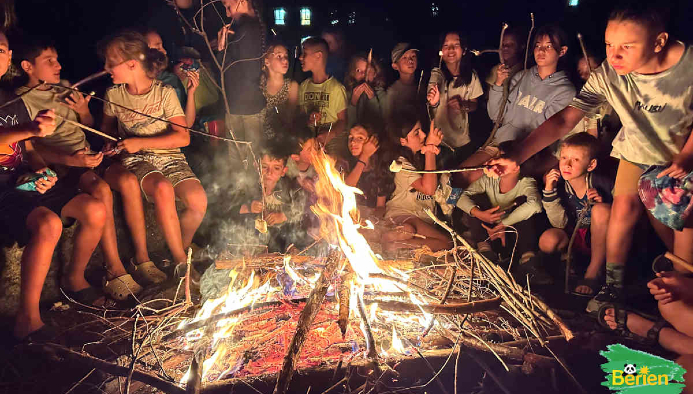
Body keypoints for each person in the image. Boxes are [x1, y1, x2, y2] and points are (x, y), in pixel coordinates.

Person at [486, 3, 693, 319]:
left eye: (627, 46)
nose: (614, 55)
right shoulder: (610, 74)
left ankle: (683, 278)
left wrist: (687, 156)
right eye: (610, 44)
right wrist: (516, 155)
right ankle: (614, 287)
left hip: (682, 157)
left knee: (672, 213)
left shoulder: (688, 66)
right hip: (638, 150)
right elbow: (565, 119)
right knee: (622, 209)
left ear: (659, 42)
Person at [16, 38, 164, 296]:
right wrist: (75, 161)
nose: (58, 65)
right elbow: (32, 149)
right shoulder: (22, 101)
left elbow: (87, 126)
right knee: (102, 189)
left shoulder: (64, 88)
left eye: (58, 59)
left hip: (90, 154)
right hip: (64, 163)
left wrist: (84, 111)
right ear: (28, 66)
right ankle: (114, 270)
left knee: (128, 181)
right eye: (49, 61)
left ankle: (142, 260)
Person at [0, 31, 111, 339]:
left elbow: (30, 147)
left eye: (2, 50)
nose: (1, 56)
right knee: (48, 224)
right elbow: (22, 134)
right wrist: (30, 128)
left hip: (22, 183)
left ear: (10, 58)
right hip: (4, 191)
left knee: (94, 210)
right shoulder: (22, 104)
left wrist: (41, 171)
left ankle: (75, 282)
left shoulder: (11, 101)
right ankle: (29, 320)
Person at [99, 30, 208, 282]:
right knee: (161, 187)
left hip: (171, 158)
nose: (106, 68)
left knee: (198, 200)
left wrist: (139, 140)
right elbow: (106, 132)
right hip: (137, 160)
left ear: (132, 64)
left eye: (110, 62)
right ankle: (182, 264)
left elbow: (183, 137)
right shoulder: (114, 95)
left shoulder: (164, 93)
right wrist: (110, 145)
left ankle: (176, 250)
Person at [459, 24, 576, 186]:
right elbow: (496, 115)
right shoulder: (522, 76)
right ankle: (448, 206)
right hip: (498, 142)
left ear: (562, 51)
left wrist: (518, 154)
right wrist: (498, 85)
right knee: (461, 175)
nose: (541, 51)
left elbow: (548, 132)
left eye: (548, 46)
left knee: (489, 183)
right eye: (538, 46)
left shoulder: (565, 91)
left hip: (525, 153)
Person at [456, 141, 549, 284]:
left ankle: (527, 261)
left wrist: (504, 224)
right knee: (475, 202)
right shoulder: (487, 180)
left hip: (514, 234)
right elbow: (458, 197)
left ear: (515, 166)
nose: (492, 163)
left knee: (525, 205)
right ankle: (486, 253)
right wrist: (479, 214)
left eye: (500, 159)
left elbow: (535, 204)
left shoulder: (526, 182)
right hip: (488, 230)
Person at [540, 133, 613, 295]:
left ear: (591, 165)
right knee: (548, 240)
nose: (567, 164)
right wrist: (549, 191)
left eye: (576, 160)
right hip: (575, 237)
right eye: (564, 157)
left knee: (602, 210)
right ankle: (568, 263)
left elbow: (621, 220)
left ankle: (593, 272)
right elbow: (559, 224)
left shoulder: (602, 183)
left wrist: (602, 203)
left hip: (600, 240)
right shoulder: (559, 186)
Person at [381, 111, 451, 252]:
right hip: (404, 215)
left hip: (418, 220)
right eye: (416, 133)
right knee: (447, 243)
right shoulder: (401, 163)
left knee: (442, 243)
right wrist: (430, 148)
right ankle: (394, 244)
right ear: (402, 140)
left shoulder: (419, 158)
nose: (424, 135)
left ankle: (398, 242)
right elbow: (428, 189)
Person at [216, 0, 266, 161]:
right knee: (243, 164)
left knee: (250, 163)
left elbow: (249, 72)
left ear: (242, 1)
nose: (227, 14)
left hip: (246, 107)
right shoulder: (246, 28)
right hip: (238, 106)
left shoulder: (248, 29)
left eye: (228, 7)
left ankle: (250, 187)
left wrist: (222, 49)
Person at [426, 31, 484, 167]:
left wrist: (463, 105)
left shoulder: (471, 76)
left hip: (462, 141)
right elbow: (430, 98)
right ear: (441, 50)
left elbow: (475, 104)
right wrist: (433, 101)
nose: (451, 49)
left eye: (456, 44)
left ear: (464, 50)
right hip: (439, 141)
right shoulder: (437, 74)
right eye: (446, 45)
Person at [237, 147, 307, 252]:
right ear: (257, 166)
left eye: (276, 168)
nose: (269, 173)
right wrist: (248, 207)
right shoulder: (247, 186)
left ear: (283, 171)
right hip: (253, 242)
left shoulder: (289, 187)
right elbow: (229, 210)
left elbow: (303, 209)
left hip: (284, 243)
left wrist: (284, 216)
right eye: (264, 167)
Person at [298, 37, 347, 156]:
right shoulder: (304, 86)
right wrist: (309, 119)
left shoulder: (336, 88)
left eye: (304, 53)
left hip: (332, 141)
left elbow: (342, 121)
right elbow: (300, 117)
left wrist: (330, 134)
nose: (300, 57)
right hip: (309, 140)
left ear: (318, 56)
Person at [145, 29, 200, 128]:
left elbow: (186, 124)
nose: (164, 52)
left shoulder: (170, 82)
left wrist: (191, 93)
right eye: (158, 48)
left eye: (162, 47)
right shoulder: (121, 89)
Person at [340, 123, 394, 216]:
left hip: (371, 217)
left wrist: (370, 221)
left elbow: (380, 207)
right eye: (350, 138)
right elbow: (347, 188)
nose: (352, 142)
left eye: (360, 138)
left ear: (373, 142)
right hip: (349, 215)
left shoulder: (380, 167)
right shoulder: (345, 164)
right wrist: (364, 156)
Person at [260, 43, 298, 141]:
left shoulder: (291, 86)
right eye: (279, 56)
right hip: (259, 142)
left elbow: (291, 120)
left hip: (281, 144)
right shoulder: (260, 85)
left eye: (286, 56)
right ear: (267, 61)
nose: (285, 60)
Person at [344, 52, 386, 131]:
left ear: (375, 73)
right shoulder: (347, 94)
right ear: (352, 73)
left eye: (368, 70)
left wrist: (372, 99)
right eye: (358, 70)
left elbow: (380, 124)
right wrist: (353, 102)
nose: (364, 74)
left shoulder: (382, 95)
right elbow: (349, 127)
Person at [385, 43, 421, 121]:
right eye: (404, 57)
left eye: (413, 56)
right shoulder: (393, 92)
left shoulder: (422, 86)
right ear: (395, 66)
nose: (410, 61)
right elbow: (389, 122)